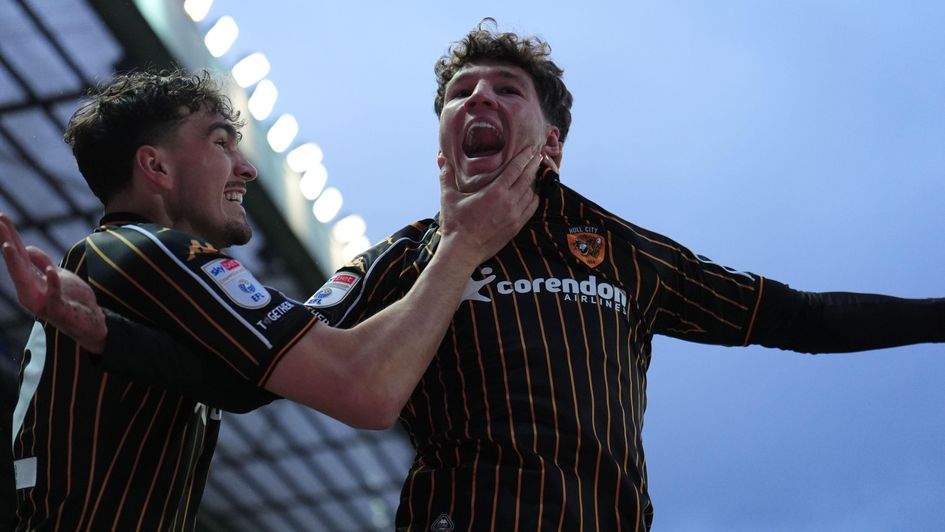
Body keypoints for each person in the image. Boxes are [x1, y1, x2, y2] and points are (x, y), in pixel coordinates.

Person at [5, 22, 945, 531]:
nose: (478, 100)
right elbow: (248, 376)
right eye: (462, 92)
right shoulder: (397, 259)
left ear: (553, 143)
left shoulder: (622, 251)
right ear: (444, 137)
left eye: (505, 90)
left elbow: (800, 314)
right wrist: (112, 337)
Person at [0, 68, 540, 531]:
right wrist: (459, 243)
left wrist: (421, 247)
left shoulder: (122, 266)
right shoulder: (149, 250)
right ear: (156, 168)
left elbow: (238, 384)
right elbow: (363, 387)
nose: (246, 166)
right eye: (220, 142)